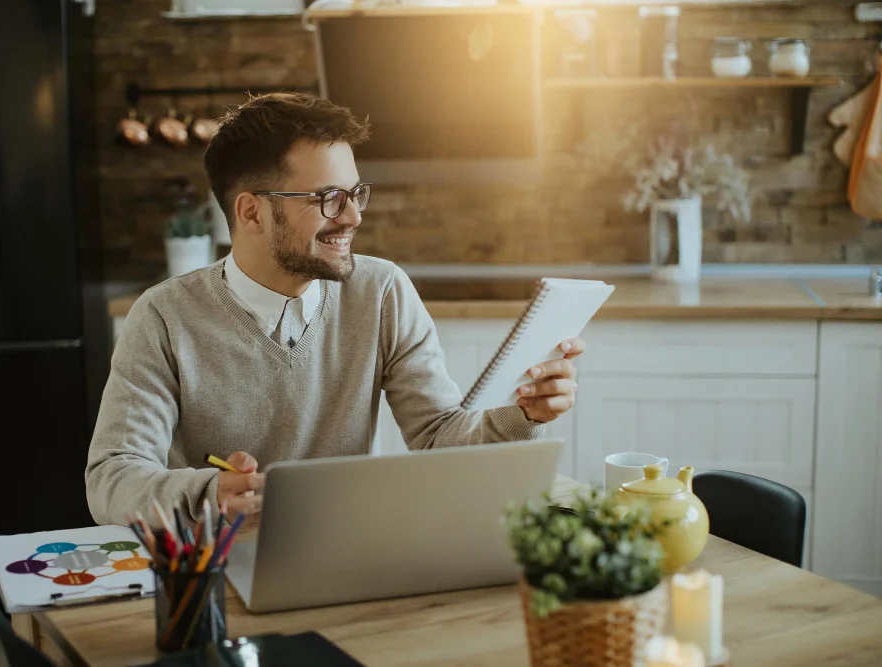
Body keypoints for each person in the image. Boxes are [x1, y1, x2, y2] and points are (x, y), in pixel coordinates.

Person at [85, 93, 585, 528]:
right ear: (251, 211)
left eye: (354, 193)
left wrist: (522, 415)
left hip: (347, 552)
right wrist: (210, 494)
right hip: (213, 566)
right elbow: (112, 477)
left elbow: (437, 437)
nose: (353, 216)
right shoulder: (163, 317)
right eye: (327, 198)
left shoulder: (382, 290)